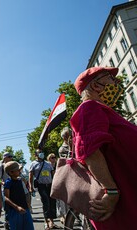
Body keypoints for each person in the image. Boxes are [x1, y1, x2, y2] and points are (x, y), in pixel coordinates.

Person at [70, 66, 137, 229]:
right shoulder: (89, 107)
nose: (116, 83)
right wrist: (111, 191)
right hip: (125, 207)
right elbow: (89, 151)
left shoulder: (102, 110)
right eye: (110, 78)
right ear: (96, 86)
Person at [29, 149, 60, 230]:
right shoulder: (33, 164)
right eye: (39, 153)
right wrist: (30, 186)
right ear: (35, 155)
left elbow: (53, 174)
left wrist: (55, 184)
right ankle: (46, 222)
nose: (41, 154)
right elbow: (31, 176)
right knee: (45, 202)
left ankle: (52, 222)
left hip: (50, 185)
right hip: (41, 186)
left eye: (42, 152)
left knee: (52, 202)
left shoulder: (48, 164)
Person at [3, 161, 34, 230]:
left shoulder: (20, 180)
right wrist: (16, 207)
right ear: (11, 173)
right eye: (18, 170)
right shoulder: (8, 183)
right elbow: (6, 198)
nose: (20, 171)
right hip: (14, 211)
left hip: (25, 209)